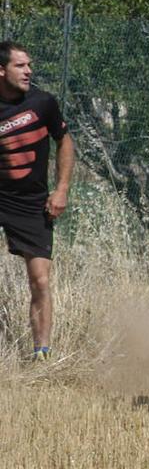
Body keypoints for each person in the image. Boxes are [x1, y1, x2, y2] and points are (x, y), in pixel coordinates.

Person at [0, 42, 74, 360]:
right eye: (20, 66)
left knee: (40, 279)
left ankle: (41, 352)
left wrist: (61, 189)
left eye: (29, 65)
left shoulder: (43, 103)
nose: (29, 71)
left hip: (31, 203)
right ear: (1, 70)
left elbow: (64, 141)